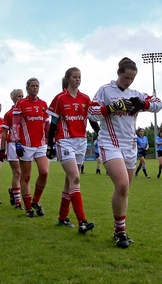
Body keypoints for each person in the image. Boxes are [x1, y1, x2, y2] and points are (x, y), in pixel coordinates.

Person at [88, 57, 162, 249]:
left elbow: (158, 103)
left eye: (132, 78)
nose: (128, 81)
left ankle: (118, 229)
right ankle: (120, 232)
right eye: (126, 77)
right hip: (110, 143)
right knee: (121, 185)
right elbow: (92, 112)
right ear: (118, 73)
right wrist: (110, 108)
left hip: (130, 145)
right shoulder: (105, 90)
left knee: (125, 189)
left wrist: (143, 105)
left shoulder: (135, 93)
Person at [47, 67, 97, 234]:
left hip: (81, 142)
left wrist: (100, 133)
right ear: (68, 79)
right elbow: (53, 123)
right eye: (75, 77)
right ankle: (82, 220)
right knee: (75, 177)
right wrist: (49, 144)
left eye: (79, 77)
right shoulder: (60, 98)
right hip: (64, 141)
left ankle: (62, 217)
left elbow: (91, 120)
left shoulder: (85, 98)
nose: (78, 79)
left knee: (70, 181)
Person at [14, 78, 51, 217]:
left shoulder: (43, 104)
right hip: (25, 145)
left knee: (44, 172)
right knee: (26, 176)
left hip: (41, 144)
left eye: (37, 86)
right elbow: (16, 124)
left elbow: (47, 124)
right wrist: (17, 141)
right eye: (32, 86)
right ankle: (28, 207)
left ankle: (36, 201)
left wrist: (51, 140)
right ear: (27, 88)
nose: (35, 88)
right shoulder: (21, 103)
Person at [2, 90, 24, 208]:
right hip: (13, 144)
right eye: (18, 96)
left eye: (22, 96)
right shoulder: (9, 114)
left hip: (26, 145)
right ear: (13, 98)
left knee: (24, 174)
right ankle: (18, 202)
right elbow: (4, 133)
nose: (21, 98)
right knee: (17, 172)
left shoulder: (26, 111)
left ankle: (13, 191)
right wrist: (2, 149)